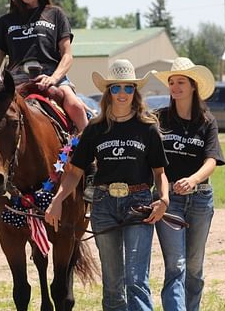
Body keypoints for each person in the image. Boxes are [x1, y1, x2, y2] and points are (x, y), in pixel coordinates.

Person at [0, 0, 89, 223]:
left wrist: (55, 77)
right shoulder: (5, 23)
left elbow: (67, 55)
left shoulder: (55, 15)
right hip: (16, 84)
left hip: (52, 78)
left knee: (77, 107)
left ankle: (92, 168)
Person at [45, 59, 170, 311]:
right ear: (108, 92)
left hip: (139, 204)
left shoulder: (147, 129)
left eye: (128, 88)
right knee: (112, 283)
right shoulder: (95, 129)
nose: (122, 93)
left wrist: (163, 200)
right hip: (103, 205)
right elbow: (74, 172)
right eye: (116, 88)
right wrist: (57, 200)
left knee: (136, 280)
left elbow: (160, 172)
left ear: (135, 91)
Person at [151, 57, 225, 311]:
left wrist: (193, 179)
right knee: (176, 265)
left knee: (194, 267)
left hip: (201, 198)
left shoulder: (206, 121)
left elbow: (212, 160)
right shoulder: (159, 119)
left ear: (193, 86)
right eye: (172, 82)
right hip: (169, 199)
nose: (175, 86)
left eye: (181, 81)